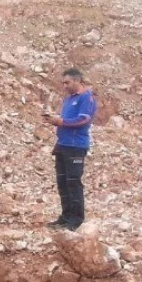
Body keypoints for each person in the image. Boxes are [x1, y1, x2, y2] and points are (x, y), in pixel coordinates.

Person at [44, 68, 97, 230]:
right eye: (63, 83)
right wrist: (55, 119)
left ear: (77, 80)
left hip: (76, 146)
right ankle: (66, 216)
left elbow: (83, 120)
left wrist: (60, 122)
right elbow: (67, 119)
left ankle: (77, 219)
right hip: (63, 145)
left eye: (67, 82)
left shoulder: (87, 98)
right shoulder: (68, 99)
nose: (64, 86)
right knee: (62, 182)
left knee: (73, 182)